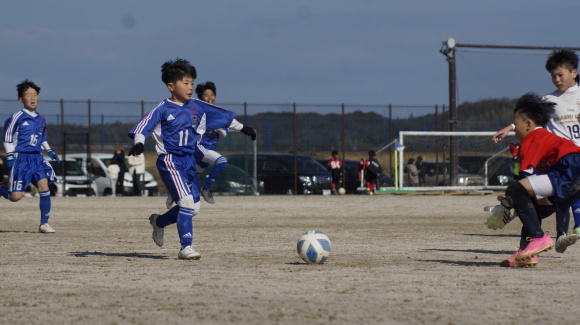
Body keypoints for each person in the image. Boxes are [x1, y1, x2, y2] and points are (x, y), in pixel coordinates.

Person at [128, 58, 256, 260]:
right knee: (186, 201)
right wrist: (139, 142)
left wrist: (245, 129)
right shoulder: (162, 109)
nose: (190, 87)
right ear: (171, 86)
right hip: (170, 160)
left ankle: (159, 222)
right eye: (185, 83)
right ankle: (185, 247)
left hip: (189, 160)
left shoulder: (197, 106)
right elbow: (144, 125)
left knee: (193, 208)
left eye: (192, 83)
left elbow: (223, 117)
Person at [492, 49, 580, 251]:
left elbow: (529, 126)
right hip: (560, 159)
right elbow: (530, 119)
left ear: (574, 73)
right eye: (553, 76)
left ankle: (543, 238)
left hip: (569, 160)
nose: (557, 80)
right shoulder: (550, 100)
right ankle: (535, 245)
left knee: (526, 191)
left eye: (560, 75)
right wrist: (511, 127)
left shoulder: (535, 140)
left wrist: (508, 203)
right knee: (554, 201)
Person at [0, 79, 60, 233]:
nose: (32, 98)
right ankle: (1, 188)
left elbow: (43, 138)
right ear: (21, 99)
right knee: (16, 197)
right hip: (21, 158)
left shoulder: (41, 119)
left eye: (35, 94)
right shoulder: (16, 117)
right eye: (28, 95)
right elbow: (7, 138)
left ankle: (44, 223)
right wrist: (11, 155)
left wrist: (50, 151)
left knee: (44, 186)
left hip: (37, 158)